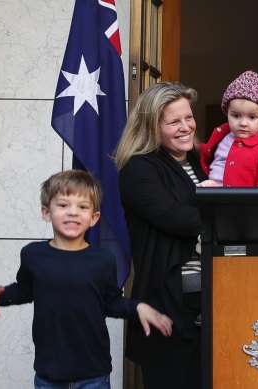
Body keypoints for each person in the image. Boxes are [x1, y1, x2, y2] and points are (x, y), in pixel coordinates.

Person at [0, 169, 173, 389]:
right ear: (46, 212)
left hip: (93, 373)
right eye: (63, 205)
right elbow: (25, 290)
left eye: (82, 207)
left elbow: (111, 303)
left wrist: (138, 308)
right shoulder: (33, 255)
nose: (73, 212)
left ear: (94, 218)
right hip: (48, 373)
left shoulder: (103, 260)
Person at [114, 82, 207, 389]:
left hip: (207, 301)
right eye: (174, 122)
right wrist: (223, 209)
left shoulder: (195, 161)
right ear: (152, 127)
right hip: (168, 305)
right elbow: (173, 218)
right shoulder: (138, 168)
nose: (186, 127)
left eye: (188, 117)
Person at [199, 70, 258, 187]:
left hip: (242, 203)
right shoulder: (221, 135)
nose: (243, 123)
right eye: (236, 116)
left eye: (252, 117)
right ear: (227, 113)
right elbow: (205, 155)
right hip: (212, 198)